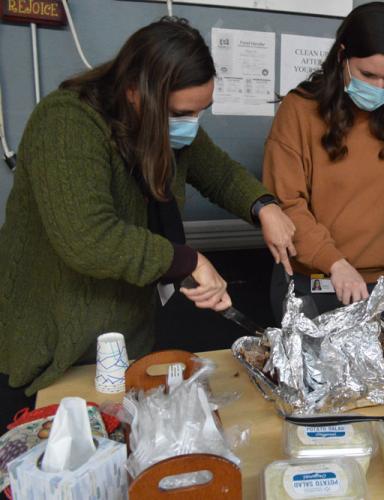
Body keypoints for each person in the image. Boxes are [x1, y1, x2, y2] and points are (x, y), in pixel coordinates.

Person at [0, 18, 296, 416]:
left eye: (200, 111)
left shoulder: (164, 123)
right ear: (136, 93)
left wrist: (265, 206)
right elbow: (88, 238)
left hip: (123, 336)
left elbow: (220, 174)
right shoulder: (67, 122)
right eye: (182, 112)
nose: (191, 123)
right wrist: (189, 260)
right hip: (52, 340)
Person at [264, 2, 384, 323]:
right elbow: (285, 204)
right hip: (312, 281)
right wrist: (333, 261)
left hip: (383, 286)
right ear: (342, 56)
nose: (379, 87)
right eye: (368, 74)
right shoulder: (299, 111)